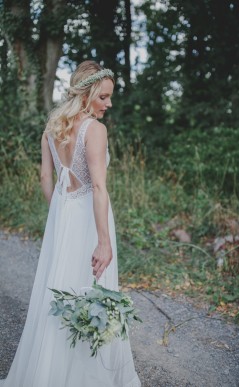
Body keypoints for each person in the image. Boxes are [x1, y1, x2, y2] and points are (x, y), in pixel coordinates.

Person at [0, 60, 141, 387]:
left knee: (60, 289)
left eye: (110, 97)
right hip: (91, 220)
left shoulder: (52, 127)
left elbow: (45, 177)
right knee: (92, 290)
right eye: (104, 97)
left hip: (64, 217)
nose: (109, 104)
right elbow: (100, 187)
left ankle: (50, 372)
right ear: (88, 93)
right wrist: (103, 241)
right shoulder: (95, 130)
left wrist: (59, 211)